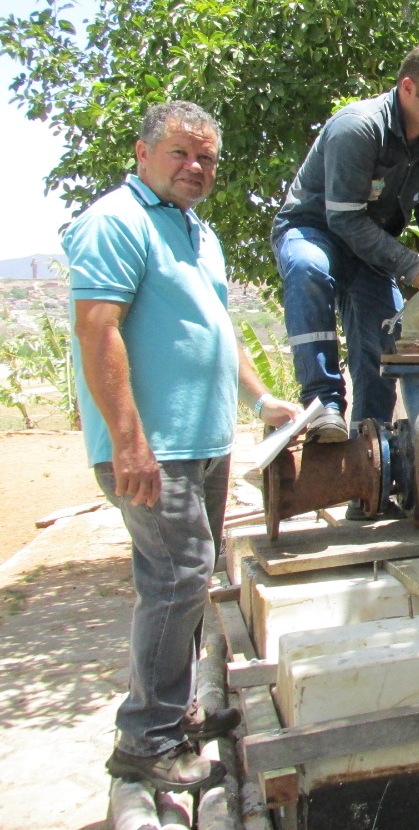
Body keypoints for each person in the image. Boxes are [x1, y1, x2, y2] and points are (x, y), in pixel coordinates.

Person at [64, 102, 302, 793]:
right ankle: (148, 741)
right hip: (152, 450)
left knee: (188, 580)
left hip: (203, 443)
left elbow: (216, 327)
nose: (196, 167)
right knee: (176, 579)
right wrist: (129, 443)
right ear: (143, 154)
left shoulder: (199, 233)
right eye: (180, 153)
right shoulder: (117, 221)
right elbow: (97, 330)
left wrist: (260, 401)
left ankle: (179, 715)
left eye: (207, 159)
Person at [272, 42, 419, 445]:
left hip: (369, 247)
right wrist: (412, 266)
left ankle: (370, 452)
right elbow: (343, 219)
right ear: (408, 88)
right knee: (307, 268)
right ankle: (323, 406)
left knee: (384, 340)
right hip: (315, 231)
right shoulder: (357, 128)